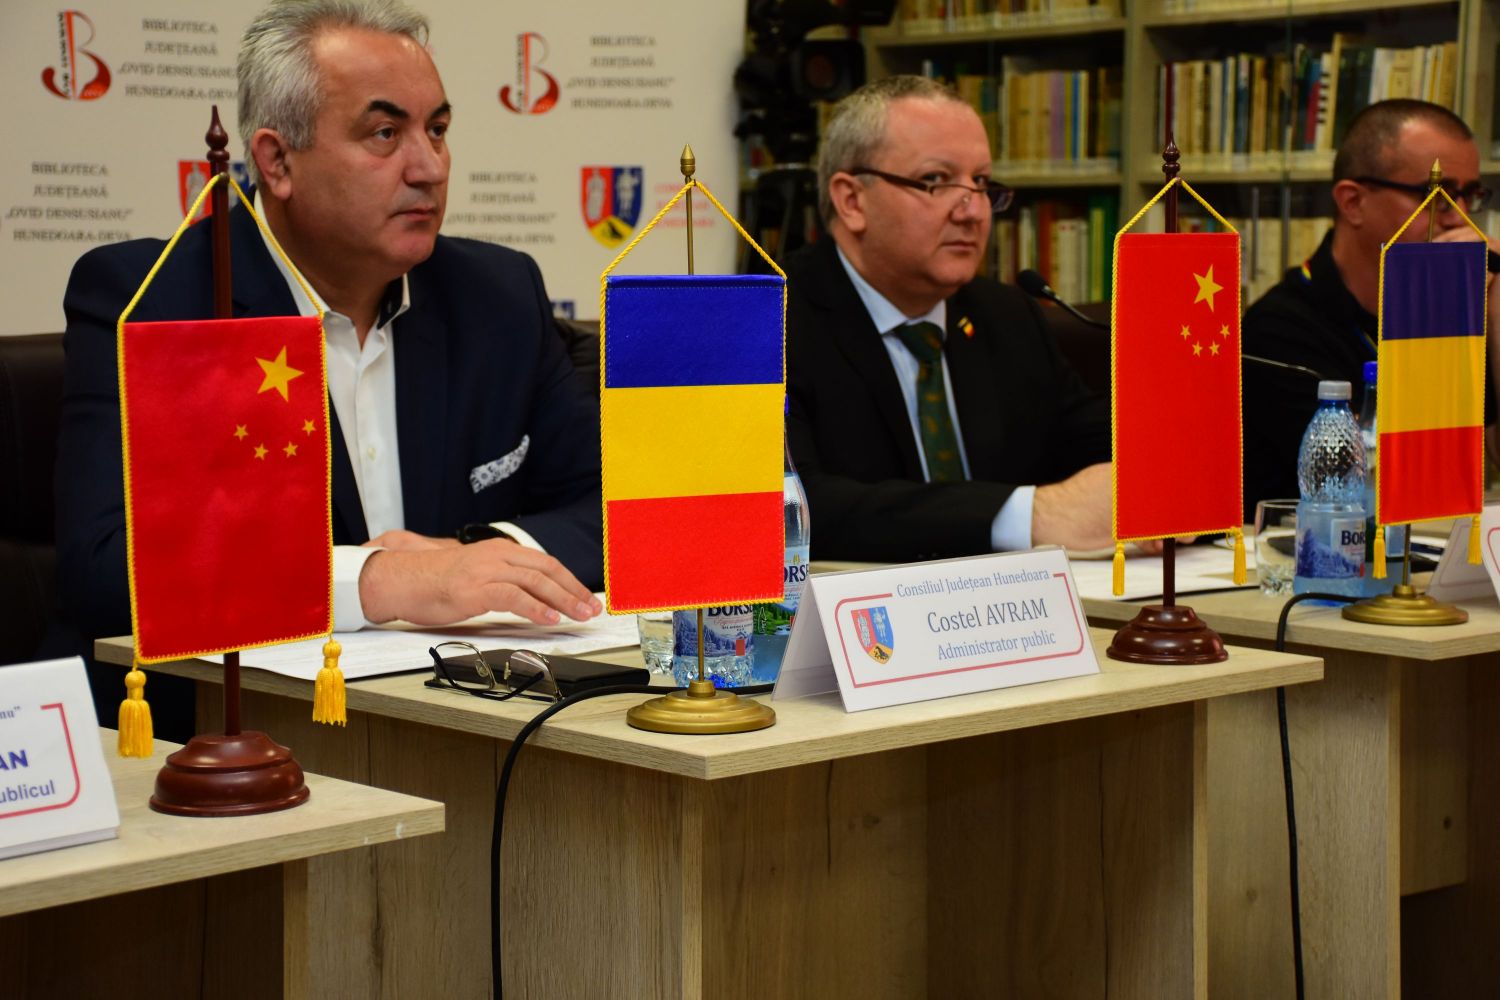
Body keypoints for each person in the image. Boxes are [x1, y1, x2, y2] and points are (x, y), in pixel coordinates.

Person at [55, 0, 604, 654]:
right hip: (237, 702)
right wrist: (373, 580)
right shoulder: (159, 300)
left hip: (454, 699)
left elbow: (610, 511)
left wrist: (479, 556)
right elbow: (103, 565)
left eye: (437, 129)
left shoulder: (498, 296)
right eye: (385, 134)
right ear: (277, 162)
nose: (430, 167)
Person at [785, 75, 1114, 563]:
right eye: (936, 181)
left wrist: (1150, 479)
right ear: (852, 201)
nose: (974, 211)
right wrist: (1029, 516)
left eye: (981, 183)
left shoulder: (1007, 314)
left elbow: (1095, 442)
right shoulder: (770, 323)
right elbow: (794, 507)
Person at [1241, 99, 1499, 515]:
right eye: (1438, 195)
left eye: (1470, 195)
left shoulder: (1460, 313)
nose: (1461, 217)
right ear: (1353, 203)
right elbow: (1369, 484)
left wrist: (1497, 304)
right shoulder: (1278, 330)